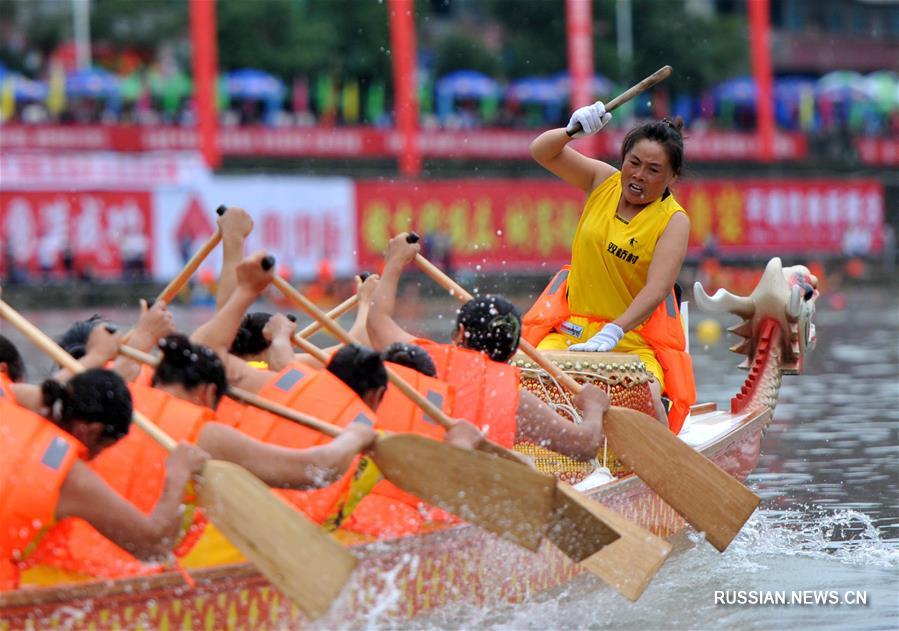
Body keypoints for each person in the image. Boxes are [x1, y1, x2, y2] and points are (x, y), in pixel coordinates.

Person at [26, 332, 377, 581]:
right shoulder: (202, 434)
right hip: (119, 579)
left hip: (33, 573)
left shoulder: (109, 402)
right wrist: (352, 439)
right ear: (210, 392)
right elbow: (310, 470)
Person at [525, 103, 695, 432]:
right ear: (623, 160)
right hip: (568, 335)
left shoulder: (673, 221)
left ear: (672, 176)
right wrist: (571, 132)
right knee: (525, 382)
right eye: (634, 163)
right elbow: (541, 151)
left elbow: (657, 289)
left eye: (653, 170)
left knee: (644, 399)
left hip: (631, 342)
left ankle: (657, 465)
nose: (639, 176)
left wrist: (614, 330)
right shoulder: (602, 179)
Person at [367, 233, 610, 462]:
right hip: (476, 497)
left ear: (460, 334)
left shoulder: (426, 361)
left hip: (412, 485)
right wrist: (594, 406)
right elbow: (585, 446)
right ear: (513, 352)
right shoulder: (519, 402)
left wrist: (394, 262)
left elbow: (377, 324)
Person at [1, 366, 208, 589]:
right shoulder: (67, 474)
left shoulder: (8, 403)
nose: (91, 459)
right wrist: (178, 473)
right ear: (89, 432)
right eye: (99, 449)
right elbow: (153, 545)